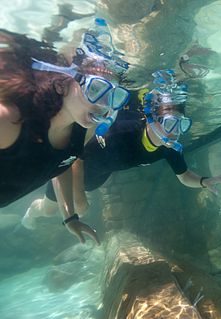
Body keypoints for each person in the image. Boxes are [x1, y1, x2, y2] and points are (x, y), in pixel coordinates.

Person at [22, 69, 221, 228]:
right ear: (151, 118)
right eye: (169, 124)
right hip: (73, 169)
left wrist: (204, 181)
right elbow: (74, 156)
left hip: (99, 176)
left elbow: (184, 176)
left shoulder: (170, 147)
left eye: (181, 125)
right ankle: (32, 212)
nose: (174, 132)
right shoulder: (120, 130)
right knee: (49, 210)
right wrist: (79, 198)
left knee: (80, 204)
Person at [1, 27, 129, 244]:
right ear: (62, 82)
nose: (104, 105)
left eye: (113, 96)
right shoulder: (11, 121)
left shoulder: (83, 129)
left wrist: (69, 216)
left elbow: (60, 163)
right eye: (96, 89)